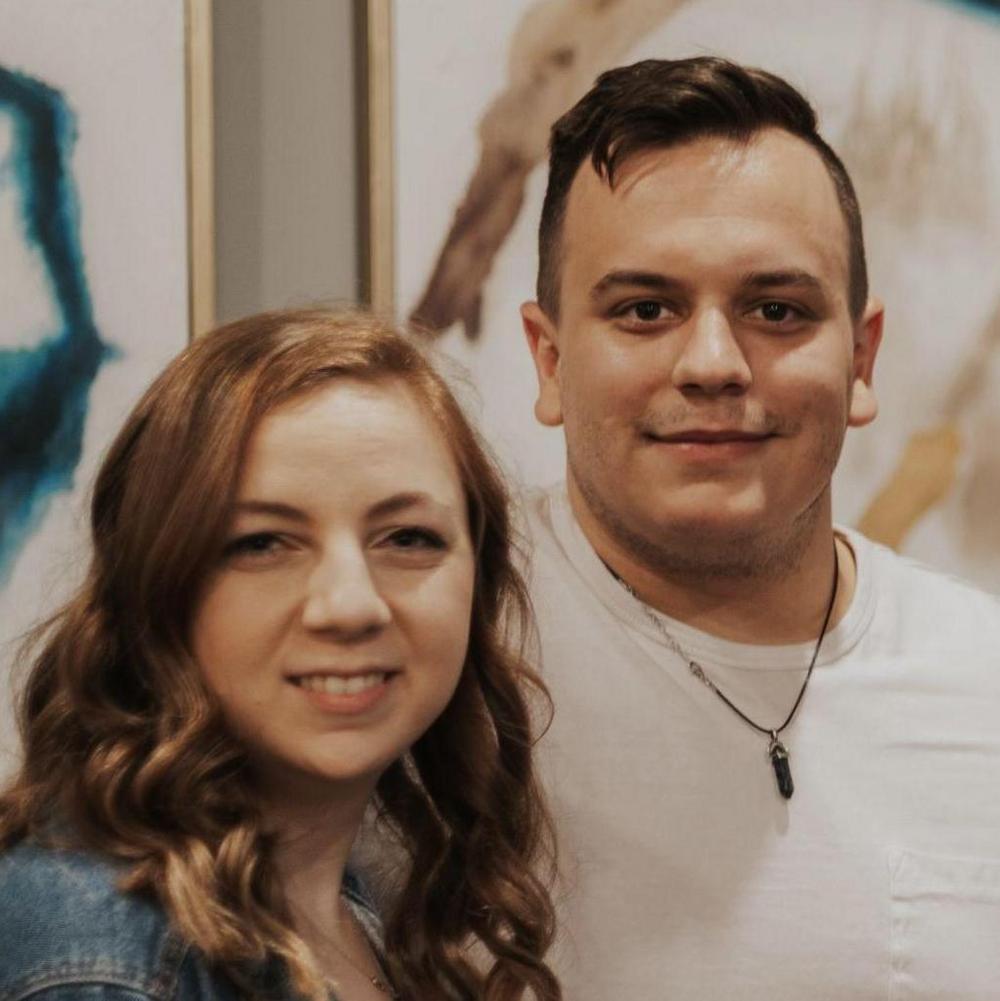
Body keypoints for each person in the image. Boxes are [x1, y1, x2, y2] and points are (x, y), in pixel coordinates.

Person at [518, 57, 1000, 1000]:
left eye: (776, 310)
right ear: (549, 358)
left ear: (861, 360)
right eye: (645, 309)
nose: (713, 363)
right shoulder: (435, 662)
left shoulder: (985, 682)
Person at [0, 309, 562, 1001]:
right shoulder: (108, 959)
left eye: (407, 538)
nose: (350, 605)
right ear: (155, 584)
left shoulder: (332, 895)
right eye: (263, 542)